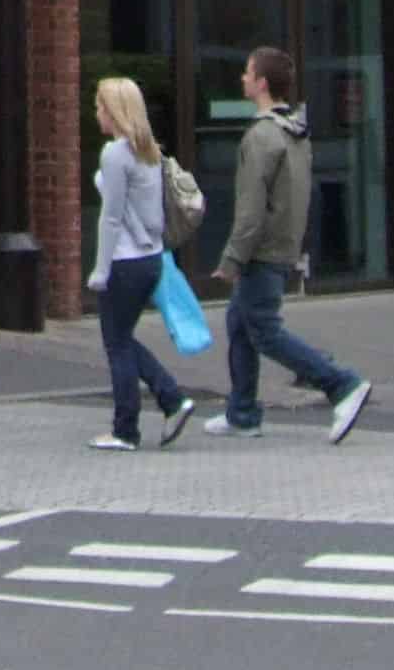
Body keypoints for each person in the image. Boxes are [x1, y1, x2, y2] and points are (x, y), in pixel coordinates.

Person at [210, 48, 372, 443]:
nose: (242, 78)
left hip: (261, 252)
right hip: (282, 246)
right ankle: (242, 413)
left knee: (265, 331)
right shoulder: (295, 131)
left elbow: (251, 209)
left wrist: (232, 259)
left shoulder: (261, 136)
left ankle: (341, 384)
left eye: (248, 73)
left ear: (262, 83)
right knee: (239, 323)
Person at [85, 75, 199, 452]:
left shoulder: (115, 154)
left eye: (100, 106)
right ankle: (171, 399)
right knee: (122, 339)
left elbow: (111, 218)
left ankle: (125, 430)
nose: (96, 113)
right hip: (150, 259)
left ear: (115, 111)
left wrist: (101, 270)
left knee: (116, 345)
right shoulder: (149, 151)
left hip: (124, 262)